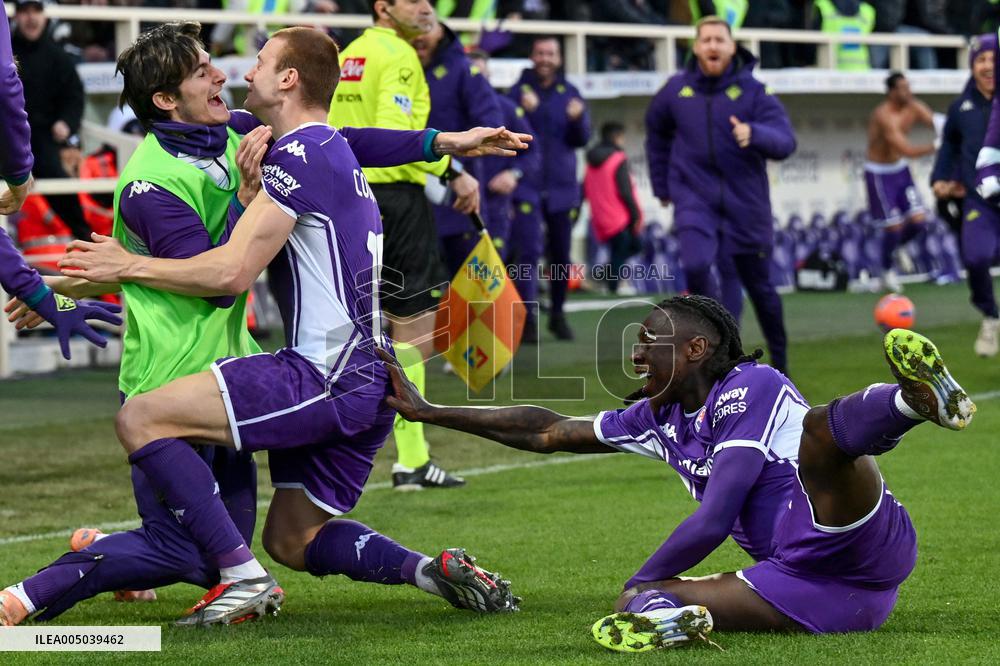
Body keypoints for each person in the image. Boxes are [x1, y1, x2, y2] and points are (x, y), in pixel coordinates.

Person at [0, 22, 526, 627]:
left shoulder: (265, 143)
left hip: (307, 373)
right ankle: (427, 572)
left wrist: (440, 141)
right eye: (204, 70)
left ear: (289, 79)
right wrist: (62, 286)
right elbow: (200, 263)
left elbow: (224, 278)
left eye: (252, 62)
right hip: (241, 370)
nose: (231, 72)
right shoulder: (159, 181)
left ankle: (217, 578)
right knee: (285, 538)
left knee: (191, 529)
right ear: (167, 99)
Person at [380, 293, 976, 649]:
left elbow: (717, 516)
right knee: (650, 601)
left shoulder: (752, 386)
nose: (637, 353)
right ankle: (673, 623)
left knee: (820, 436)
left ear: (695, 349)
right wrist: (432, 412)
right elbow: (547, 430)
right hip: (829, 595)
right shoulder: (656, 416)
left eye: (649, 340)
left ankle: (911, 403)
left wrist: (636, 577)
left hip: (856, 537)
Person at [328, 0, 482, 490]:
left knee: (354, 327)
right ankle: (412, 460)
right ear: (383, 8)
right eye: (413, 0)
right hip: (395, 198)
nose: (426, 7)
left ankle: (343, 455)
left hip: (348, 196)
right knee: (412, 326)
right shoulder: (398, 55)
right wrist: (451, 172)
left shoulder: (351, 54)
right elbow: (394, 137)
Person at [645, 17, 794, 375]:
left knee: (761, 290)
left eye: (719, 40)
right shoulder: (674, 91)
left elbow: (786, 141)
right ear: (695, 47)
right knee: (696, 264)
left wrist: (754, 133)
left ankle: (782, 369)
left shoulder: (754, 92)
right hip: (695, 198)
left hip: (747, 206)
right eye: (706, 40)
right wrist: (662, 187)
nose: (712, 46)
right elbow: (656, 135)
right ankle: (723, 363)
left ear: (732, 47)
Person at [0, 1, 120, 360]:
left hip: (36, 146)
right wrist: (20, 172)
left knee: (79, 222)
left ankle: (94, 263)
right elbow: (6, 83)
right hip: (22, 146)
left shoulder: (57, 59)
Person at [509, 35, 591, 341]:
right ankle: (527, 320)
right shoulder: (518, 92)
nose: (545, 58)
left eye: (551, 53)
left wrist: (578, 118)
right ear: (532, 55)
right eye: (540, 52)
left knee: (560, 256)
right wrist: (532, 111)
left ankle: (558, 314)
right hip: (526, 186)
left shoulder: (570, 93)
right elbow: (511, 135)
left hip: (561, 189)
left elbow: (582, 138)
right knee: (527, 256)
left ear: (558, 58)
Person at [411, 13, 503, 275]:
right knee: (415, 290)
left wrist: (457, 163)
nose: (419, 37)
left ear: (442, 33)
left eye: (426, 29)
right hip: (409, 198)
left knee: (466, 286)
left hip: (457, 196)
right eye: (413, 30)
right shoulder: (400, 69)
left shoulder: (463, 71)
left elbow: (490, 125)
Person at [466, 48, 544, 343]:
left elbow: (532, 151)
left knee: (513, 260)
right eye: (470, 73)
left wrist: (514, 175)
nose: (476, 79)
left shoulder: (506, 109)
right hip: (458, 205)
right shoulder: (448, 110)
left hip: (499, 205)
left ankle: (522, 322)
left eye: (480, 73)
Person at [931, 34, 999, 357]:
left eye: (993, 58)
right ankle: (990, 315)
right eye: (980, 59)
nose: (988, 65)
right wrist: (941, 178)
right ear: (972, 66)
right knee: (975, 257)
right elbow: (950, 148)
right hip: (981, 200)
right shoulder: (961, 107)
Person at [10, 0, 92, 242]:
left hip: (43, 139)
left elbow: (74, 96)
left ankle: (85, 238)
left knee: (58, 182)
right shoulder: (6, 53)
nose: (31, 18)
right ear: (16, 17)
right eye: (25, 12)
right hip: (8, 137)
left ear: (44, 16)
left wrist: (66, 122)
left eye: (36, 11)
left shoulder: (57, 56)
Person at [865, 71, 937, 292]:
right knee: (893, 227)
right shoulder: (883, 115)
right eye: (902, 88)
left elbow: (935, 121)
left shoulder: (914, 106)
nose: (908, 92)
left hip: (900, 170)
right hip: (879, 173)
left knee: (919, 221)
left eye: (909, 87)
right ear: (891, 92)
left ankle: (898, 248)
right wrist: (936, 147)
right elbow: (905, 149)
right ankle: (886, 272)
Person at [583, 122, 643, 295]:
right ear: (617, 137)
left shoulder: (590, 162)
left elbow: (585, 188)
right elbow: (625, 190)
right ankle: (612, 288)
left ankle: (600, 275)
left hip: (600, 215)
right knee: (627, 248)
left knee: (624, 249)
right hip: (619, 215)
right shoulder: (618, 159)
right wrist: (634, 215)